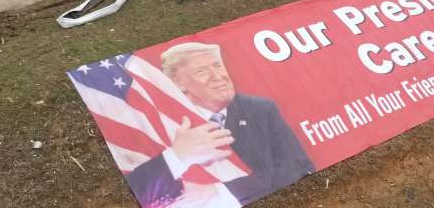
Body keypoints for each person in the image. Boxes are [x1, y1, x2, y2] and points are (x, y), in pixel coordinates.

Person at [125, 43, 315, 208]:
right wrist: (177, 156)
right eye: (201, 71)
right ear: (179, 83)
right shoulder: (162, 121)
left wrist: (219, 192)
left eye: (218, 65)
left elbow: (300, 165)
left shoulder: (260, 108)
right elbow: (140, 189)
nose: (218, 76)